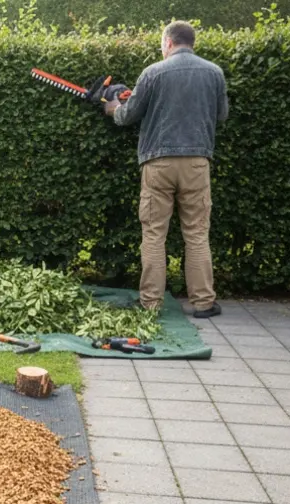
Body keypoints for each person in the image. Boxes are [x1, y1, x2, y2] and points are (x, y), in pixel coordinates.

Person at [107, 20, 228, 318]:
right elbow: (222, 115)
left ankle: (151, 303)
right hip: (197, 162)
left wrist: (113, 109)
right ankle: (203, 303)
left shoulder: (152, 72)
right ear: (191, 42)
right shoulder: (214, 72)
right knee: (197, 233)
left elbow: (128, 115)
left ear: (168, 43)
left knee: (153, 234)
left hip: (158, 162)